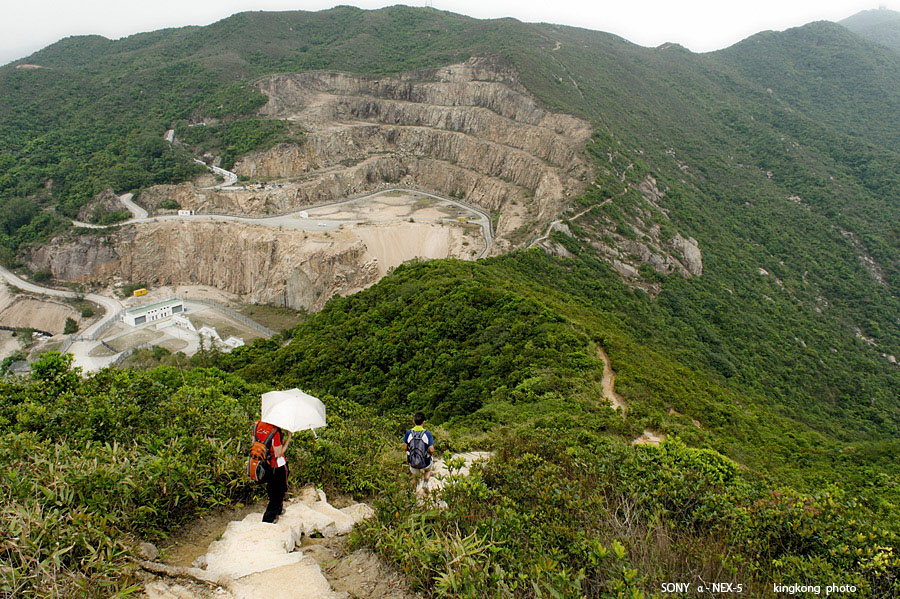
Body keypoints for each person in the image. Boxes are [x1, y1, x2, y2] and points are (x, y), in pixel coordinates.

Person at [253, 420, 291, 523]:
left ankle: (278, 510)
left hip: (264, 464)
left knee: (271, 488)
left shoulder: (257, 425)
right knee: (280, 491)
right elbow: (278, 453)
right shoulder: (275, 431)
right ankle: (268, 519)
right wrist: (288, 438)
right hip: (277, 465)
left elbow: (254, 444)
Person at [403, 412, 435, 492]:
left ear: (413, 421)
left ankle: (413, 491)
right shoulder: (427, 433)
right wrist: (430, 455)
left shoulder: (408, 432)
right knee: (428, 469)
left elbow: (405, 447)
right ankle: (425, 483)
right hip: (425, 461)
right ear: (424, 422)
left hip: (413, 461)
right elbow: (431, 450)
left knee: (414, 474)